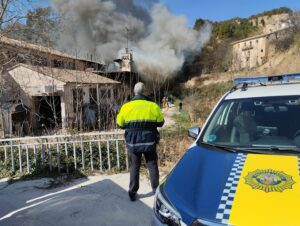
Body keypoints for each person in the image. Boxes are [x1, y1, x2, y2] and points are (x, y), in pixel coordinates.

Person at [117, 82, 164, 201]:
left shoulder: (126, 107)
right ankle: (155, 190)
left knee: (134, 167)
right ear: (144, 92)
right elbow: (161, 122)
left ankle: (132, 193)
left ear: (134, 92)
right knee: (152, 165)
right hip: (150, 142)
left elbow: (120, 124)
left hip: (133, 143)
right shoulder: (153, 106)